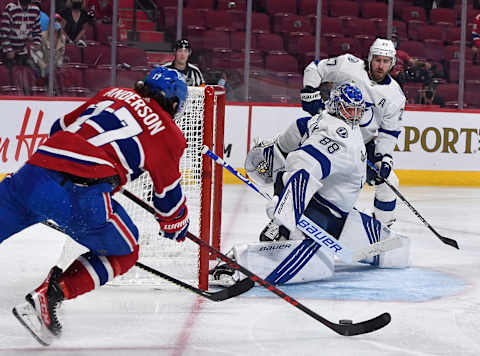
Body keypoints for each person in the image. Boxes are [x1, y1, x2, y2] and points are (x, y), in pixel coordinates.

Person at [1, 67, 190, 346]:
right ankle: (52, 293)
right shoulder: (170, 134)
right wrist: (178, 226)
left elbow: (58, 128)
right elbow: (169, 207)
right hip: (79, 195)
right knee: (126, 250)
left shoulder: (113, 93)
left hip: (34, 172)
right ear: (174, 105)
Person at [210, 82, 409, 285]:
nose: (355, 115)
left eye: (359, 110)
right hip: (315, 216)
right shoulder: (335, 138)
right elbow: (303, 167)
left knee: (394, 250)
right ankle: (235, 264)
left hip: (340, 218)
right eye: (350, 109)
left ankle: (286, 236)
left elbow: (301, 127)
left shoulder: (329, 120)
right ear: (336, 106)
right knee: (318, 265)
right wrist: (284, 220)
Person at [300, 38, 405, 228]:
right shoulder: (349, 65)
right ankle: (284, 220)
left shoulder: (395, 96)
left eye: (386, 61)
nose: (381, 66)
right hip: (327, 133)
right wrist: (310, 91)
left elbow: (388, 133)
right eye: (378, 59)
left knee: (389, 182)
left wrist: (384, 157)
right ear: (370, 57)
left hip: (359, 145)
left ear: (393, 63)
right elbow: (315, 68)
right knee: (305, 170)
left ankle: (381, 231)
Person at [0, 0, 41, 67]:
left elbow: (37, 30)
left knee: (34, 68)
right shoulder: (10, 8)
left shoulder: (35, 10)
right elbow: (4, 33)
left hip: (22, 50)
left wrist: (37, 42)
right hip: (7, 51)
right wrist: (8, 50)